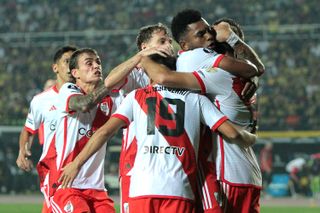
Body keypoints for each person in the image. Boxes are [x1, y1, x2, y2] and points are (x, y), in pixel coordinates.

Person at [58, 54, 257, 213]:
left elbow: (103, 133)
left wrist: (76, 163)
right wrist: (252, 136)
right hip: (180, 189)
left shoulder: (137, 97)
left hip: (142, 189)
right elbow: (232, 134)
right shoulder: (196, 99)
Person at [143, 9, 265, 213]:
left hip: (226, 173)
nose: (209, 37)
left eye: (213, 35)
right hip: (249, 172)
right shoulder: (245, 81)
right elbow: (256, 68)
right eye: (205, 33)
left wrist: (143, 58)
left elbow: (164, 78)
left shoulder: (207, 67)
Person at [104, 23, 173, 213]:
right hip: (137, 160)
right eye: (162, 41)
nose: (169, 45)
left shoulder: (178, 71)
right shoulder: (136, 74)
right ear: (145, 47)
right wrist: (140, 58)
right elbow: (109, 82)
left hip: (173, 159)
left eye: (169, 41)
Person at [50, 48, 119, 213]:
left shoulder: (111, 102)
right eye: (89, 63)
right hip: (68, 185)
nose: (96, 66)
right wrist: (108, 84)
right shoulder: (68, 91)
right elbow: (83, 105)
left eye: (98, 62)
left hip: (97, 189)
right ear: (75, 72)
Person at [16, 45, 77, 213]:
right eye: (67, 61)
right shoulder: (41, 100)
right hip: (54, 167)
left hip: (81, 166)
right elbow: (28, 129)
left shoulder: (86, 98)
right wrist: (23, 150)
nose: (71, 66)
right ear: (55, 67)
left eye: (74, 62)